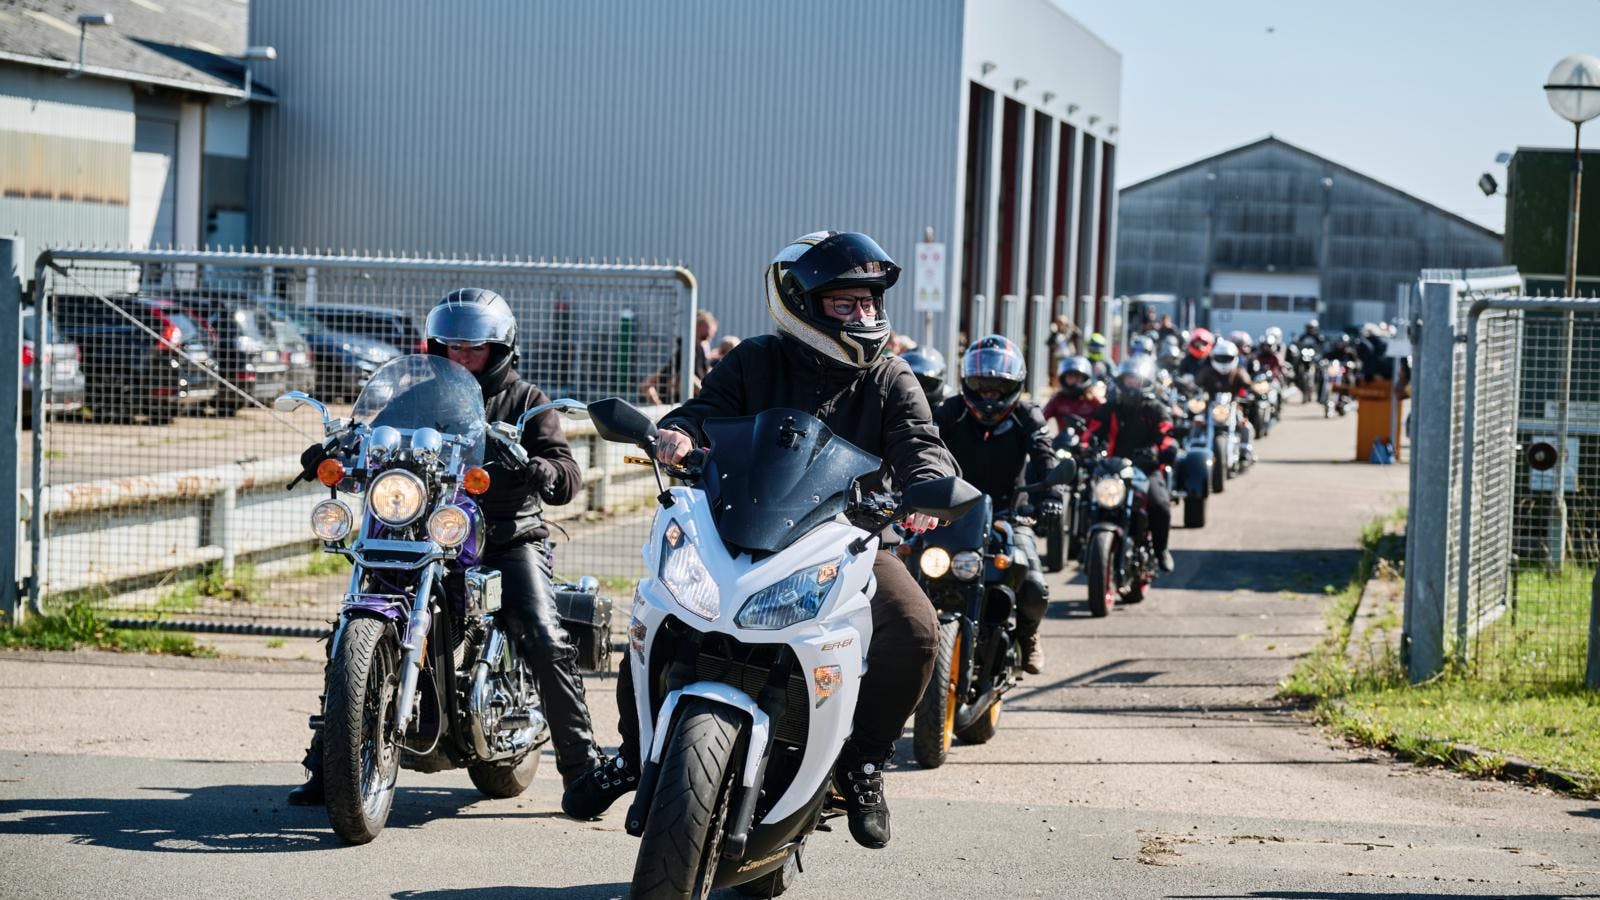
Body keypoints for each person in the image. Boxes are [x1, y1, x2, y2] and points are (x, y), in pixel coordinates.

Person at [562, 231, 958, 851]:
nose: (863, 315)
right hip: (736, 527)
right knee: (659, 608)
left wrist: (928, 481)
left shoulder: (889, 374)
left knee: (915, 628)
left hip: (845, 542)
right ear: (800, 304)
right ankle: (635, 752)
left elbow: (920, 440)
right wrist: (678, 434)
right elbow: (702, 411)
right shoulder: (754, 360)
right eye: (845, 303)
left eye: (868, 302)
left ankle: (862, 763)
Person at [287, 288, 606, 805]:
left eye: (474, 348)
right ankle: (332, 762)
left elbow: (566, 472)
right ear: (436, 347)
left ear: (499, 350)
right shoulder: (415, 398)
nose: (462, 356)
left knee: (545, 636)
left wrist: (542, 468)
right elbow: (369, 438)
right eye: (453, 347)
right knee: (349, 626)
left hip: (505, 537)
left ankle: (584, 772)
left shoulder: (527, 402)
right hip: (423, 532)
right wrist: (336, 453)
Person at [933, 335, 1054, 674]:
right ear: (967, 383)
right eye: (981, 386)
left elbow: (1045, 458)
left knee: (1033, 585)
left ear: (1014, 385)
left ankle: (1028, 635)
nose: (988, 395)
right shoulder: (951, 411)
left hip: (1009, 514)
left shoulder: (1028, 415)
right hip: (953, 512)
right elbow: (923, 447)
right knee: (910, 567)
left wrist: (1052, 497)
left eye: (998, 387)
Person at [1083, 355, 1177, 573]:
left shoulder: (1155, 409)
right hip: (1113, 467)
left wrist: (1164, 449)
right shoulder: (1110, 408)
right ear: (1121, 381)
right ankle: (1085, 544)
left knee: (1160, 505)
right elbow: (1092, 431)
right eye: (1129, 379)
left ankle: (1161, 550)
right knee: (1089, 497)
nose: (1132, 384)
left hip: (1146, 468)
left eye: (1137, 379)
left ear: (1147, 382)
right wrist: (1085, 446)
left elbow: (1166, 434)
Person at [1194, 338, 1256, 460]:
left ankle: (1246, 449)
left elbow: (1249, 384)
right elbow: (1196, 384)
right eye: (1220, 358)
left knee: (1245, 425)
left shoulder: (1238, 372)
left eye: (1227, 358)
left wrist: (1253, 390)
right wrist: (1193, 390)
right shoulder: (1207, 372)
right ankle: (1193, 446)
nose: (1223, 362)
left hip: (1232, 406)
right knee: (1198, 422)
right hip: (1211, 406)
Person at [640, 309, 717, 404]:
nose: (710, 337)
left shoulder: (700, 350)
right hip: (677, 399)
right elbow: (684, 376)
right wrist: (708, 396)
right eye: (706, 336)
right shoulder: (688, 349)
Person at [1043, 355, 1102, 432]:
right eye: (1070, 376)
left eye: (1078, 376)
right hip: (1064, 439)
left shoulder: (1094, 401)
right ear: (1063, 379)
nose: (1074, 380)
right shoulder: (1057, 400)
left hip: (1089, 439)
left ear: (1085, 378)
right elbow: (1041, 420)